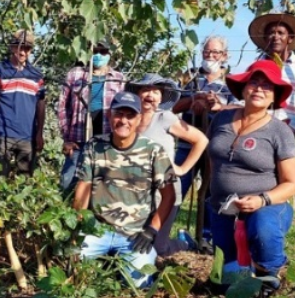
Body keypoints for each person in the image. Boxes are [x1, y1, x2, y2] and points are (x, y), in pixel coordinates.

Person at [206, 59, 295, 290]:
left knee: (263, 230)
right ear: (244, 87)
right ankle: (242, 268)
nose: (259, 89)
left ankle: (269, 270)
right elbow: (213, 157)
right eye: (254, 82)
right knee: (226, 284)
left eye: (267, 86)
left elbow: (292, 182)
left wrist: (262, 199)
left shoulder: (280, 131)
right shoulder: (221, 119)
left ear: (274, 96)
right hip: (223, 209)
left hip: (266, 207)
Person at [72, 91, 177, 288]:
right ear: (110, 116)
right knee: (75, 276)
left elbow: (169, 196)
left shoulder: (153, 150)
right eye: (119, 114)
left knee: (140, 283)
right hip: (97, 230)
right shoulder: (94, 146)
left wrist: (151, 230)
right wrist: (76, 228)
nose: (124, 121)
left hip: (135, 235)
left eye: (130, 116)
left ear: (139, 119)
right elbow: (83, 187)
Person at [126, 73, 208, 256]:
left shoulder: (165, 118)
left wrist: (182, 168)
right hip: (137, 194)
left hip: (165, 193)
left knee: (159, 248)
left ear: (162, 97)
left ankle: (186, 244)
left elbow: (201, 140)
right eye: (145, 90)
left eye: (155, 91)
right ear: (137, 94)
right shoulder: (132, 118)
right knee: (135, 244)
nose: (150, 95)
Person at [170, 35, 237, 249]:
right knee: (175, 187)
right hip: (186, 144)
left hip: (216, 145)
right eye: (207, 52)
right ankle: (162, 232)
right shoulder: (189, 79)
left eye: (215, 52)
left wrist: (217, 106)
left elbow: (240, 109)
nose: (210, 56)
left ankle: (207, 238)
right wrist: (193, 100)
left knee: (211, 192)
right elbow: (172, 106)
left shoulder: (232, 82)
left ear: (224, 55)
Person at [58, 39, 126, 192]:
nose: (99, 55)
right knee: (68, 183)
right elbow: (62, 106)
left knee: (102, 187)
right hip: (78, 140)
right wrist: (66, 139)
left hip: (106, 142)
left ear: (109, 54)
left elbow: (123, 112)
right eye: (95, 51)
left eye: (103, 52)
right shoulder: (75, 74)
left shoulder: (118, 78)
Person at [0, 29, 46, 177]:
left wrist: (39, 133)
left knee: (25, 183)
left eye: (27, 48)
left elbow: (41, 105)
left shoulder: (36, 75)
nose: (22, 52)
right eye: (19, 47)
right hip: (4, 134)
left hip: (28, 136)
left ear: (30, 51)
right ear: (12, 47)